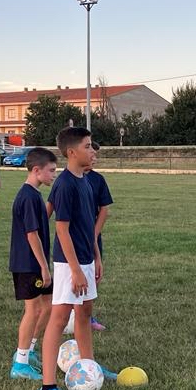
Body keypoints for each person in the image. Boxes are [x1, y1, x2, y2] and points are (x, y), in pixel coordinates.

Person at [38, 126, 109, 390]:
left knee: (85, 312)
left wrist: (95, 258)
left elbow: (87, 228)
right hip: (69, 264)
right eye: (88, 146)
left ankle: (89, 366)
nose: (93, 151)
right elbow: (62, 230)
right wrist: (76, 270)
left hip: (86, 260)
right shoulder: (66, 183)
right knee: (59, 318)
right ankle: (47, 387)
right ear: (72, 152)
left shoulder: (86, 182)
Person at [8, 147, 57, 381]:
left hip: (37, 263)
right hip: (28, 264)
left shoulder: (36, 195)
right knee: (33, 309)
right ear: (36, 170)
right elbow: (31, 235)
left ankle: (32, 349)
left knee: (48, 305)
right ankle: (20, 362)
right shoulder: (27, 197)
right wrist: (44, 267)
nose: (54, 175)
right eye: (51, 171)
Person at [85, 142, 113, 332]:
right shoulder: (67, 180)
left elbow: (104, 210)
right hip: (72, 238)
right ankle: (69, 314)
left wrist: (94, 234)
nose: (94, 158)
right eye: (91, 154)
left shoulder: (98, 180)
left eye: (96, 155)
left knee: (93, 275)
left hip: (92, 236)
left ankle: (88, 316)